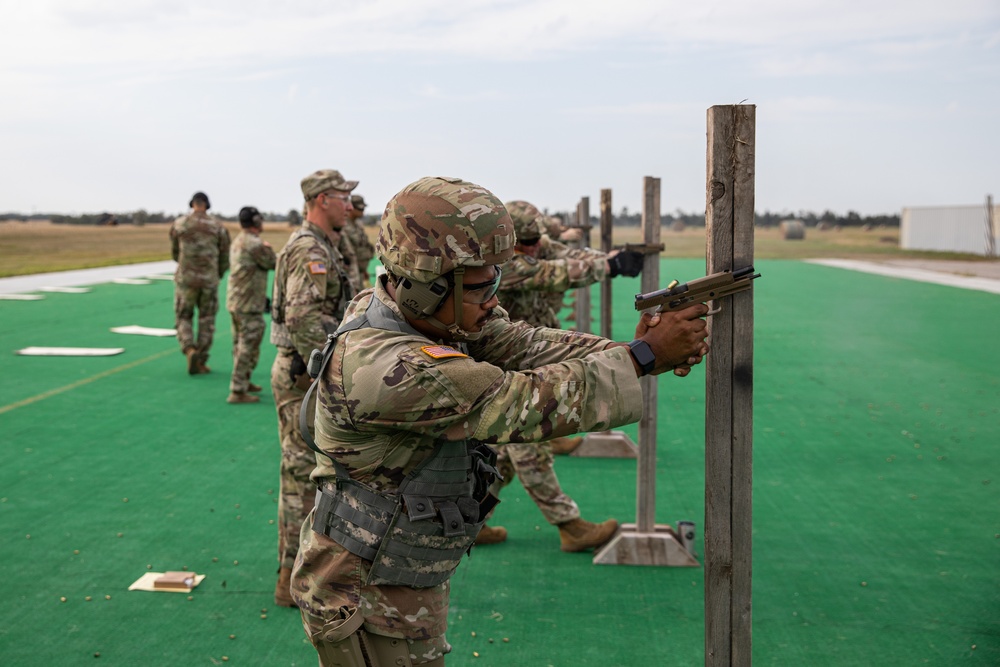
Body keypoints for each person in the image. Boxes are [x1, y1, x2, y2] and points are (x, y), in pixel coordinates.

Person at [291, 176, 709, 666]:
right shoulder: (390, 367)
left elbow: (522, 344)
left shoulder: (408, 309)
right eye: (480, 286)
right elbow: (519, 402)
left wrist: (635, 352)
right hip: (362, 592)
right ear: (425, 288)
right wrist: (639, 359)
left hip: (394, 573)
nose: (493, 297)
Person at [473, 200, 644, 544]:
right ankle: (570, 526)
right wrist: (609, 267)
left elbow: (568, 256)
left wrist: (609, 258)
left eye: (537, 239)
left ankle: (471, 521)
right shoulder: (505, 263)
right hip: (505, 363)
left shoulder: (536, 242)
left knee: (503, 457)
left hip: (535, 351)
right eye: (528, 242)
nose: (536, 246)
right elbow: (554, 273)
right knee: (529, 449)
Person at [269, 169, 358, 606]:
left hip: (311, 370)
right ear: (323, 199)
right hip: (304, 373)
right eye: (344, 196)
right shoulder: (309, 248)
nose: (349, 204)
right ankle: (290, 576)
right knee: (300, 474)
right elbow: (304, 320)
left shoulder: (325, 245)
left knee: (314, 473)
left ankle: (306, 568)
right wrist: (333, 369)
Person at [169, 191, 230, 374]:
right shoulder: (217, 226)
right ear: (207, 204)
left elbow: (174, 252)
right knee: (207, 319)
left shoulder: (180, 224)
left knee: (183, 316)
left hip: (186, 279)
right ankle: (201, 358)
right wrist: (217, 274)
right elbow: (224, 255)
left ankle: (189, 348)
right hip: (209, 280)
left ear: (192, 204)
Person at [225, 206, 276, 404]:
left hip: (236, 301)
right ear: (256, 221)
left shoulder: (238, 240)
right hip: (248, 304)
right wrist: (269, 248)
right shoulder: (255, 244)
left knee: (239, 344)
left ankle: (243, 381)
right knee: (248, 345)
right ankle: (237, 389)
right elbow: (273, 262)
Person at [342, 194, 377, 288]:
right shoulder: (343, 225)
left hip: (359, 272)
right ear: (351, 208)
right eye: (360, 209)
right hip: (350, 274)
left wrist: (364, 270)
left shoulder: (358, 225)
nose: (363, 211)